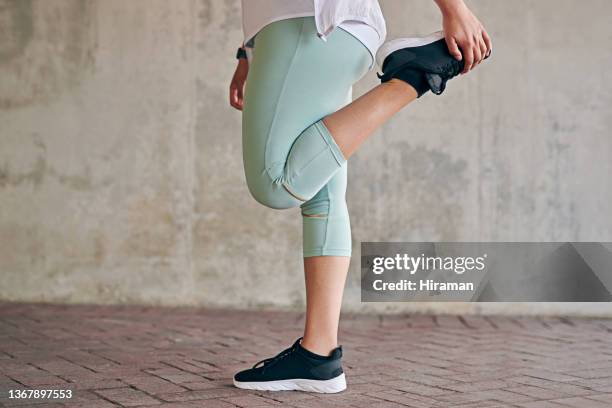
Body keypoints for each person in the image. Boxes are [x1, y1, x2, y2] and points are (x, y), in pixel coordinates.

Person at [229, 0, 491, 393]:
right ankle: (318, 355)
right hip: (335, 30)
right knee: (322, 194)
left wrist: (453, 7)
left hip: (305, 21)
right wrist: (249, 50)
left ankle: (416, 75)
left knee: (275, 182)